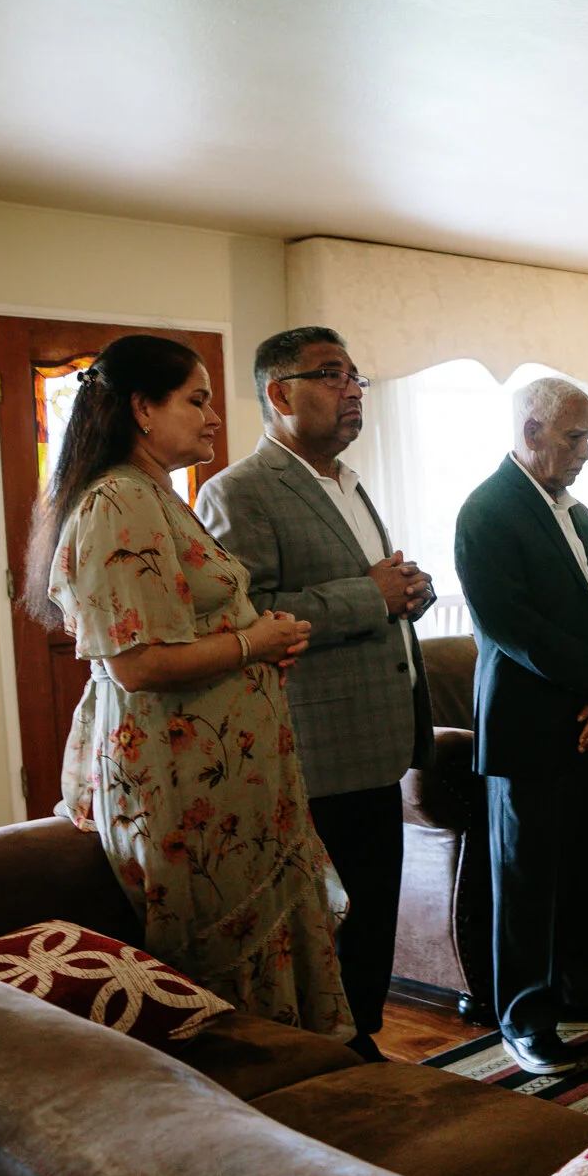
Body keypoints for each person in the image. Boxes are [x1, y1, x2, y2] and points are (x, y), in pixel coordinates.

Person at [23, 333, 351, 1038]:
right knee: (221, 969)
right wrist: (252, 643)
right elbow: (137, 663)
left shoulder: (155, 494)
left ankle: (298, 1078)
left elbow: (188, 624)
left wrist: (258, 637)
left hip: (221, 766)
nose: (213, 416)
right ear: (143, 409)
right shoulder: (118, 500)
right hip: (181, 779)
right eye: (196, 400)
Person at [197, 326, 434, 1062]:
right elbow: (250, 615)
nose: (353, 390)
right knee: (333, 923)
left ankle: (363, 1046)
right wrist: (371, 596)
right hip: (315, 747)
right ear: (279, 392)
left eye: (356, 376)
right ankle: (333, 1060)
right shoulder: (238, 491)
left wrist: (408, 592)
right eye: (332, 375)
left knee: (374, 912)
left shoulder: (348, 482)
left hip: (378, 737)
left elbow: (368, 590)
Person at [453, 376, 588, 1075]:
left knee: (587, 870)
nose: (587, 452)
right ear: (531, 431)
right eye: (575, 438)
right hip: (526, 724)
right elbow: (513, 626)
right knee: (527, 884)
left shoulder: (578, 512)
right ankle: (525, 1021)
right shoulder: (486, 510)